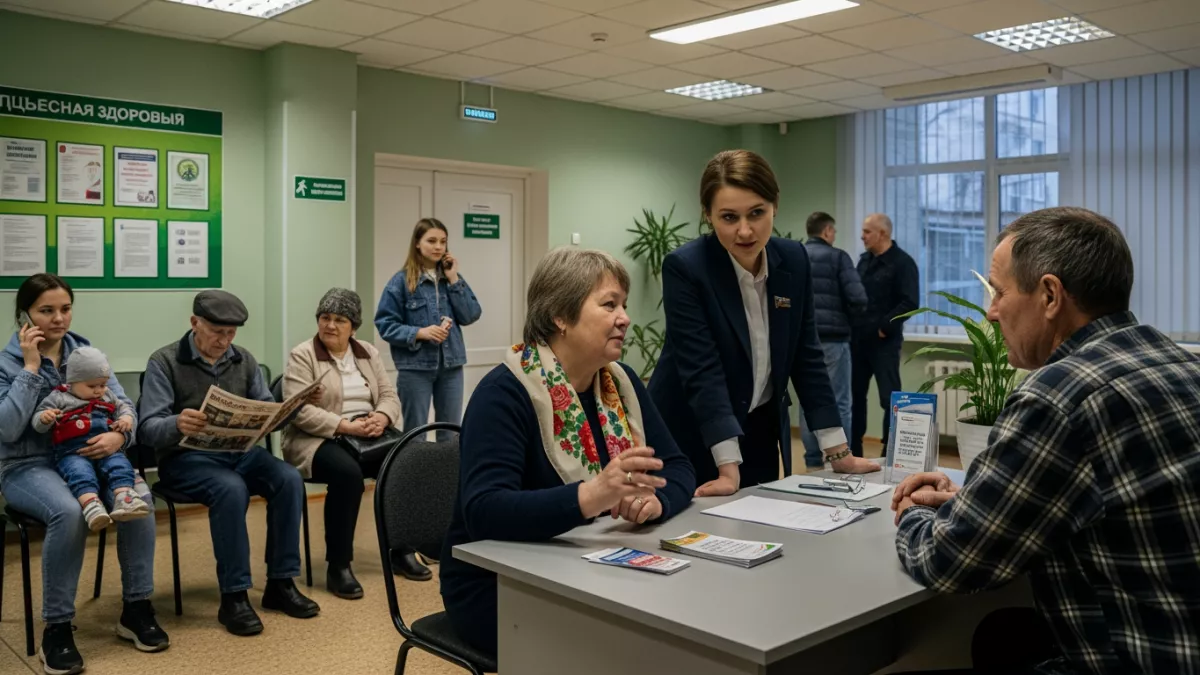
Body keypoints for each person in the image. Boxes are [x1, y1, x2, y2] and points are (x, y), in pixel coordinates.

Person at [890, 207, 1200, 674]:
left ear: (1051, 295)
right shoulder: (1177, 363)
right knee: (1003, 634)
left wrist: (913, 512)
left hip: (1140, 658)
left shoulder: (1060, 397)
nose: (991, 312)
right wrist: (975, 500)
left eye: (999, 292)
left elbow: (951, 560)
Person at [441, 247, 696, 658]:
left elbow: (679, 467)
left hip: (592, 561)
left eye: (624, 305)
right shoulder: (503, 393)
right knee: (636, 649)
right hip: (498, 584)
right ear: (560, 315)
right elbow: (484, 510)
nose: (625, 317)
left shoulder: (621, 382)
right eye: (609, 304)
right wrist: (592, 496)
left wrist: (655, 502)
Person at [649, 150, 879, 497]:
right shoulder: (687, 268)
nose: (745, 231)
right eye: (729, 217)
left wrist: (839, 453)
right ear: (708, 217)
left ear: (775, 205)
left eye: (756, 213)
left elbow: (807, 356)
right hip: (692, 431)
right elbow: (702, 370)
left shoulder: (794, 259)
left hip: (758, 425)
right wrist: (728, 468)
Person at [0, 274, 168, 674]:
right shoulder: (7, 362)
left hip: (92, 456)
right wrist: (30, 367)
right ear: (24, 315)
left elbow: (124, 406)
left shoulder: (87, 353)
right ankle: (56, 628)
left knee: (140, 501)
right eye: (46, 310)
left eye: (65, 308)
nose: (59, 319)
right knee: (70, 512)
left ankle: (136, 609)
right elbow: (6, 428)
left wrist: (116, 438)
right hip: (28, 464)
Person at [138, 290, 322, 637]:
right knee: (231, 489)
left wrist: (293, 406)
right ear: (195, 323)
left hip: (241, 453)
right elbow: (147, 429)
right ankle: (234, 597)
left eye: (231, 333)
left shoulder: (244, 360)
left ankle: (280, 584)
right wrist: (177, 422)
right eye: (217, 332)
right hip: (186, 459)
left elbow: (268, 414)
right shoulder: (163, 362)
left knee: (288, 479)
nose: (225, 341)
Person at [282, 288, 431, 593]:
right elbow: (299, 411)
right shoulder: (303, 355)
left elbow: (389, 396)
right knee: (348, 476)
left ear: (353, 326)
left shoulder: (367, 352)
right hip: (317, 439)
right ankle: (339, 565)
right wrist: (345, 426)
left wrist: (383, 417)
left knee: (411, 459)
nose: (330, 325)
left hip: (367, 434)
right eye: (325, 317)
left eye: (339, 319)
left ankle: (400, 550)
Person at [375, 218, 482, 440]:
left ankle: (448, 475)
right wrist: (420, 333)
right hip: (415, 368)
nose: (438, 247)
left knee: (451, 432)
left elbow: (471, 314)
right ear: (417, 243)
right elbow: (385, 324)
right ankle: (415, 475)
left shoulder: (452, 279)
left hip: (451, 367)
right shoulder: (400, 282)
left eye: (443, 241)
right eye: (431, 241)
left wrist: (453, 279)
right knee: (415, 433)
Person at [33, 346, 150, 531]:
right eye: (92, 386)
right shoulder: (59, 397)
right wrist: (44, 418)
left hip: (108, 448)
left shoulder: (107, 395)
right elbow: (38, 422)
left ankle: (125, 497)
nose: (98, 391)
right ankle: (91, 506)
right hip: (73, 453)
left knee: (120, 465)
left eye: (103, 385)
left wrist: (126, 418)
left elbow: (124, 407)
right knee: (79, 473)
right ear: (72, 382)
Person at [799, 211, 866, 469]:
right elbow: (858, 298)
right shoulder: (838, 257)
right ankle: (837, 459)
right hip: (834, 341)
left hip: (803, 342)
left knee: (808, 401)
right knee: (840, 401)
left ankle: (812, 461)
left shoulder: (796, 256)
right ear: (827, 231)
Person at [850, 213, 918, 458]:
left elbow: (910, 302)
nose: (862, 236)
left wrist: (884, 326)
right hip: (857, 341)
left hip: (884, 342)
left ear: (883, 233)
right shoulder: (863, 261)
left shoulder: (903, 263)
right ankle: (853, 450)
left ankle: (889, 451)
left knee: (889, 398)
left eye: (867, 231)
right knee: (855, 397)